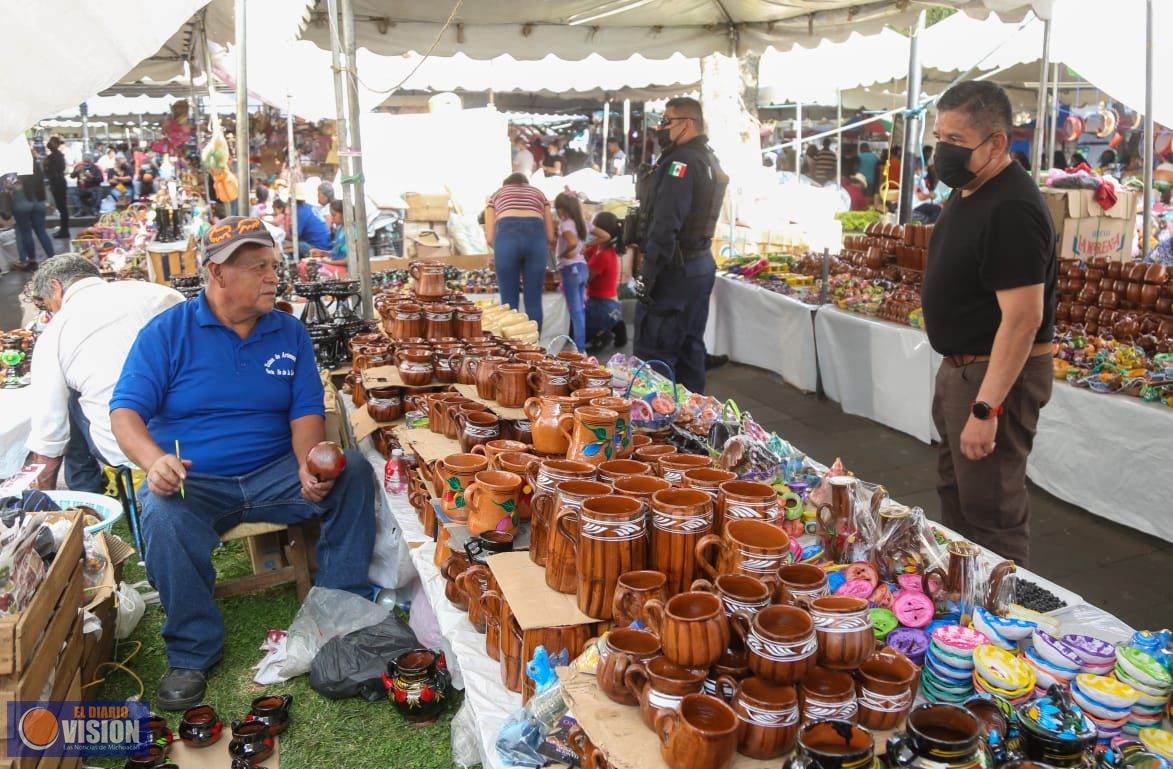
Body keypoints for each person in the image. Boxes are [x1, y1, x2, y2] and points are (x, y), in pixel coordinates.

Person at [109, 216, 375, 709]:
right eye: (258, 267)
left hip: (274, 471)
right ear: (217, 274)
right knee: (162, 513)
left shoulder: (288, 331)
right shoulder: (167, 333)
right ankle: (191, 651)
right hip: (199, 480)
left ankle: (341, 610)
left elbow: (304, 411)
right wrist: (155, 461)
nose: (273, 276)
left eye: (273, 265)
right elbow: (125, 411)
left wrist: (307, 466)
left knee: (353, 472)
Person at [921, 81, 1055, 567]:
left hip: (991, 376)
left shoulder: (1012, 207)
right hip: (964, 368)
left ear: (997, 143)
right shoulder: (970, 187)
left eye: (955, 141)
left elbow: (1023, 320)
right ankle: (963, 606)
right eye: (939, 136)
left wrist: (986, 409)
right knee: (957, 495)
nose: (942, 152)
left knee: (992, 511)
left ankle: (1002, 621)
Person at [25, 255, 184, 492]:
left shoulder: (55, 332)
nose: (49, 312)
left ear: (56, 287)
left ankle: (85, 491)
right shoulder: (160, 293)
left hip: (132, 447)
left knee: (67, 400)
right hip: (196, 429)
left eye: (45, 304)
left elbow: (49, 434)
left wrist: (40, 500)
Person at [632, 96, 728, 393]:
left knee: (656, 354)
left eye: (666, 121)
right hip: (698, 264)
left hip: (675, 270)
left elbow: (666, 223)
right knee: (690, 349)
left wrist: (648, 275)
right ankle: (694, 425)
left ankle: (657, 427)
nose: (661, 128)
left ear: (687, 124)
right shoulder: (708, 158)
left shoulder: (681, 162)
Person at [484, 173, 554, 330]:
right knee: (534, 300)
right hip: (536, 242)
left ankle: (512, 349)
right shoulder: (539, 194)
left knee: (508, 302)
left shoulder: (496, 195)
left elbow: (489, 238)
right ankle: (535, 348)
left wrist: (503, 249)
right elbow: (550, 235)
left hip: (506, 242)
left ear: (506, 185)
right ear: (526, 184)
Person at [0, 155, 56, 270]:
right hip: (38, 202)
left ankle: (32, 260)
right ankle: (53, 258)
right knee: (42, 232)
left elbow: (8, 186)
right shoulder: (32, 163)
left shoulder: (10, 166)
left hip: (21, 202)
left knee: (26, 233)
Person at [584, 211, 624, 352]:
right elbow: (585, 252)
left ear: (602, 231)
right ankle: (615, 324)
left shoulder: (603, 256)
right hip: (609, 304)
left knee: (573, 330)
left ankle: (601, 335)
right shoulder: (599, 248)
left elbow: (585, 278)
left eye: (593, 226)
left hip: (602, 306)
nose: (590, 229)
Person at [553, 192, 589, 351]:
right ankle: (580, 346)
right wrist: (587, 246)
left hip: (570, 269)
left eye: (557, 209)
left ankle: (580, 349)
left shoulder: (566, 223)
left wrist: (564, 253)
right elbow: (605, 235)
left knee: (575, 311)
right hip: (582, 268)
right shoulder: (582, 223)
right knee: (580, 309)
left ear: (562, 209)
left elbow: (572, 242)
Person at [305, 199, 348, 279]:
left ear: (343, 214)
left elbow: (349, 260)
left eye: (334, 215)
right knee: (306, 265)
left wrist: (328, 262)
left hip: (346, 269)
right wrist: (322, 253)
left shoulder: (352, 232)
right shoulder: (340, 229)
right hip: (335, 265)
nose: (331, 218)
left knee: (313, 269)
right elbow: (337, 252)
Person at [291, 182, 332, 257]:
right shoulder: (310, 207)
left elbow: (294, 235)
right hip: (325, 244)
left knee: (298, 245)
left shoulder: (300, 211)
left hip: (319, 248)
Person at [45, 136, 69, 238]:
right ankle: (64, 230)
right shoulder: (59, 155)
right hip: (59, 183)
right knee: (62, 208)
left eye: (52, 142)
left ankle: (64, 231)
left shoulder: (53, 157)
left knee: (62, 208)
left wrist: (46, 165)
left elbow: (49, 170)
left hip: (57, 184)